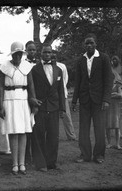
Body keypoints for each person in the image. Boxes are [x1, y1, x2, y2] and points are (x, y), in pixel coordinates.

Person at [0, 41, 40, 175]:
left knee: (23, 131)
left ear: (22, 54)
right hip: (9, 100)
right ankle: (14, 163)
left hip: (23, 100)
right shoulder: (4, 67)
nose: (17, 56)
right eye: (15, 54)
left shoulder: (27, 66)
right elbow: (0, 87)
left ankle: (22, 163)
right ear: (12, 54)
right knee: (13, 131)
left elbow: (31, 85)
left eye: (20, 54)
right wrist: (1, 105)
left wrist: (33, 102)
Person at [71, 33, 113, 164]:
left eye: (91, 43)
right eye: (87, 43)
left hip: (99, 100)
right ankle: (85, 155)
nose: (89, 45)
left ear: (96, 44)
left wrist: (106, 99)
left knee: (99, 128)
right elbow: (78, 81)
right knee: (83, 128)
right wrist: (74, 100)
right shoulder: (80, 60)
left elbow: (108, 80)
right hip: (84, 99)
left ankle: (99, 155)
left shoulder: (104, 58)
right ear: (84, 45)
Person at [31, 44, 65, 172]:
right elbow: (31, 88)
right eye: (44, 52)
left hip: (54, 107)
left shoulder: (58, 70)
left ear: (52, 54)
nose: (47, 54)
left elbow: (60, 90)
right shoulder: (34, 69)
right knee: (38, 135)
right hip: (40, 106)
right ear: (41, 54)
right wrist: (33, 103)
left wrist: (62, 108)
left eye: (49, 52)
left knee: (53, 135)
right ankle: (40, 164)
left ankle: (51, 162)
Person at [24, 40, 40, 165]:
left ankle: (36, 155)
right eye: (30, 50)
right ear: (26, 51)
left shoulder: (39, 64)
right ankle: (25, 156)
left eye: (34, 50)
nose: (32, 52)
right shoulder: (23, 64)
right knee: (27, 127)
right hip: (25, 98)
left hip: (38, 98)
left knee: (37, 128)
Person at [56, 57, 78, 141]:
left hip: (62, 95)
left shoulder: (62, 66)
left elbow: (65, 80)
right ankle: (53, 136)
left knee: (66, 116)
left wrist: (60, 90)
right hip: (51, 96)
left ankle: (71, 136)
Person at [106, 69, 122, 150]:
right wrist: (114, 94)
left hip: (116, 108)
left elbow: (120, 95)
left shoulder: (117, 86)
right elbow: (104, 96)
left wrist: (111, 95)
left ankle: (117, 144)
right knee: (108, 126)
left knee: (117, 127)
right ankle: (109, 143)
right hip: (108, 108)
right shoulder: (106, 86)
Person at [111, 55, 122, 139]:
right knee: (112, 114)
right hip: (112, 93)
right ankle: (112, 131)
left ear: (118, 60)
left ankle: (119, 133)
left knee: (120, 114)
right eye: (112, 59)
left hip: (119, 92)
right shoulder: (110, 69)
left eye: (115, 59)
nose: (114, 61)